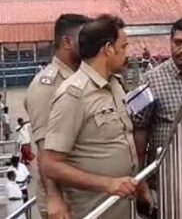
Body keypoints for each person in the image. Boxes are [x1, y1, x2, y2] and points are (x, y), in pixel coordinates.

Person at [42, 14, 151, 219]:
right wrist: (108, 184)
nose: (127, 54)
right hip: (95, 209)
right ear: (108, 49)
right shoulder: (74, 95)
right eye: (123, 47)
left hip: (123, 206)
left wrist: (139, 183)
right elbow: (51, 164)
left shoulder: (115, 85)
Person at [24, 13, 90, 219]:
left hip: (83, 195)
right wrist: (54, 198)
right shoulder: (47, 86)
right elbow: (45, 149)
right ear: (67, 42)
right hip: (64, 202)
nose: (90, 44)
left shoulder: (81, 78)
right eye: (84, 39)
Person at [134, 17, 182, 193]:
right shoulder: (149, 80)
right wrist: (139, 177)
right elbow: (137, 128)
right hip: (165, 180)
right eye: (177, 43)